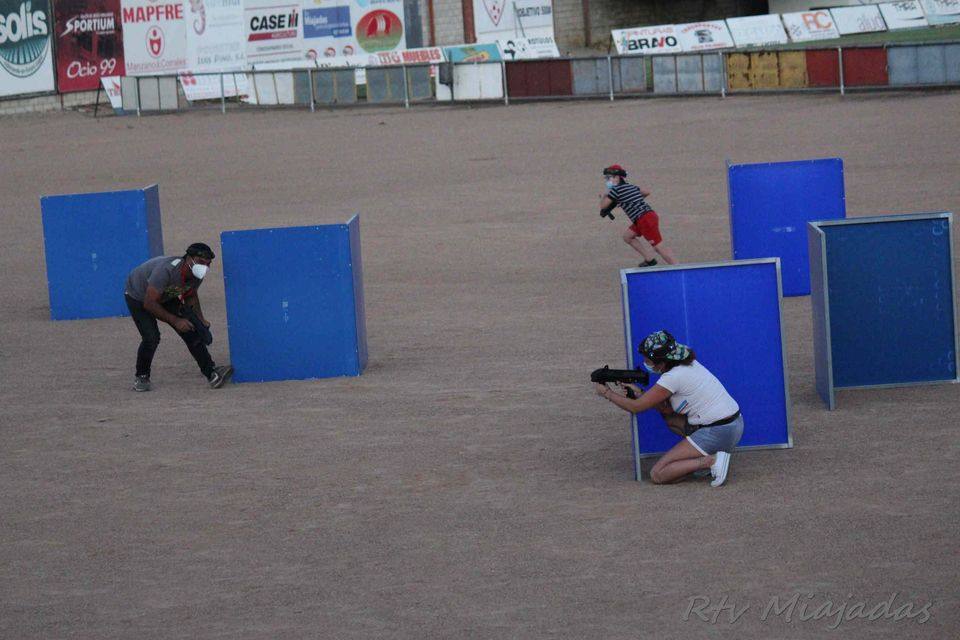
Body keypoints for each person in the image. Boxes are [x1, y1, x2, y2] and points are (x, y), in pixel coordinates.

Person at [594, 330, 742, 486]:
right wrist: (641, 393)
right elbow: (667, 410)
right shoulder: (686, 363)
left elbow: (636, 408)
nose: (646, 363)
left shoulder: (672, 378)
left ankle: (711, 461)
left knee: (658, 474)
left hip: (718, 431)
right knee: (671, 420)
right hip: (733, 425)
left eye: (648, 361)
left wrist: (607, 393)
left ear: (661, 362)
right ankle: (707, 457)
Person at [123, 243, 233, 391]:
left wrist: (200, 319)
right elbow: (149, 304)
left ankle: (211, 373)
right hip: (139, 296)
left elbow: (191, 295)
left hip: (167, 294)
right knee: (151, 337)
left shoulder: (196, 274)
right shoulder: (166, 271)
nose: (205, 267)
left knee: (191, 331)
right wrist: (176, 320)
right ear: (189, 259)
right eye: (201, 262)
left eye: (208, 264)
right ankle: (141, 376)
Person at [598, 164, 678, 267]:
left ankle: (678, 268)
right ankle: (649, 259)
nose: (607, 181)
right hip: (645, 217)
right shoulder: (631, 186)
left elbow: (603, 206)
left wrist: (604, 196)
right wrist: (630, 201)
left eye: (609, 178)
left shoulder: (615, 190)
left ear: (617, 177)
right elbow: (647, 192)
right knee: (628, 237)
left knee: (658, 247)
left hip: (644, 219)